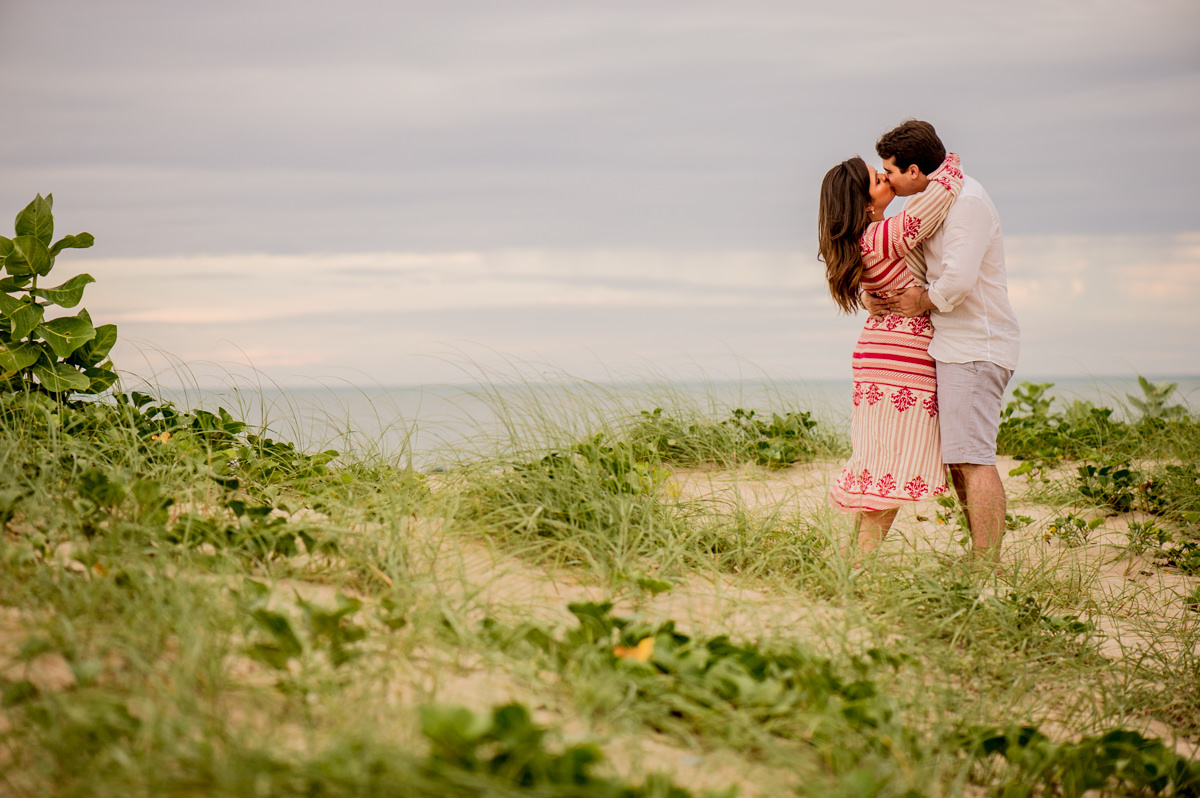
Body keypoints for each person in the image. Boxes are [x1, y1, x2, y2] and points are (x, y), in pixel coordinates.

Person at [870, 120, 1020, 567]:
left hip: (976, 345)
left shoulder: (967, 201)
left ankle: (986, 567)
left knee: (973, 459)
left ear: (914, 171)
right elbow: (907, 258)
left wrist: (920, 301)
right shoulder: (936, 201)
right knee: (960, 461)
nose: (887, 180)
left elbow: (957, 279)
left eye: (890, 171)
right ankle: (980, 559)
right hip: (953, 345)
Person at [818, 150, 963, 555]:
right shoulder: (881, 237)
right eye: (877, 179)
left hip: (880, 360)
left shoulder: (863, 241)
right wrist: (946, 162)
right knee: (891, 469)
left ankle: (850, 563)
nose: (886, 178)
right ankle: (858, 564)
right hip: (899, 364)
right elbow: (939, 198)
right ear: (864, 203)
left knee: (881, 467)